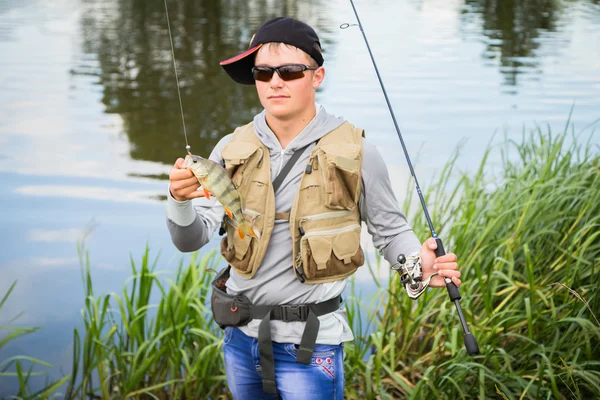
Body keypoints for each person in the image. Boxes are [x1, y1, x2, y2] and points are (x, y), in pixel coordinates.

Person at [166, 16, 462, 400]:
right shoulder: (228, 149)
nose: (275, 82)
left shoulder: (357, 151)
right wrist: (178, 201)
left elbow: (389, 229)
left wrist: (417, 264)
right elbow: (190, 240)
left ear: (317, 76)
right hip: (240, 340)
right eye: (263, 72)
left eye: (289, 71)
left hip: (311, 345)